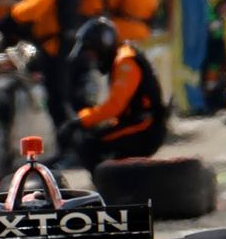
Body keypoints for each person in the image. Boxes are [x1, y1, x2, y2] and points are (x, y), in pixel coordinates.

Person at [0, 0, 81, 150]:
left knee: (59, 100)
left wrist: (13, 16)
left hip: (57, 45)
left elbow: (36, 6)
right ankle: (70, 147)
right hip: (61, 43)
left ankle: (72, 148)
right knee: (60, 99)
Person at [58, 17, 167, 172]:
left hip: (146, 127)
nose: (93, 60)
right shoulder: (121, 57)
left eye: (93, 54)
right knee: (95, 136)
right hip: (138, 122)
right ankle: (125, 179)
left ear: (103, 47)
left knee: (89, 145)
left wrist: (80, 121)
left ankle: (110, 185)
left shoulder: (125, 61)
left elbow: (115, 106)